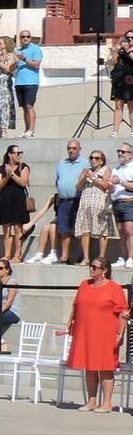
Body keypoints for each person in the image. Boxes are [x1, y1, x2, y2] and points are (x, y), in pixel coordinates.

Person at [67, 256, 128, 411]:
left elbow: (123, 312)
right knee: (89, 366)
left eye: (94, 267)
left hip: (105, 334)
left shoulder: (114, 288)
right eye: (90, 266)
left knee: (105, 367)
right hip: (85, 333)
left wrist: (119, 334)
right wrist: (70, 323)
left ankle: (107, 402)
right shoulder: (84, 285)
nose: (91, 269)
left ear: (104, 270)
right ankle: (91, 401)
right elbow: (76, 306)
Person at [0, 146, 33, 266]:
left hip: (19, 199)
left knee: (18, 228)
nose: (19, 155)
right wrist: (7, 175)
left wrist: (12, 174)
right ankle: (7, 254)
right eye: (17, 153)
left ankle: (17, 254)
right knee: (6, 228)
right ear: (10, 154)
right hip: (5, 199)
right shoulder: (1, 169)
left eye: (20, 152)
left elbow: (23, 182)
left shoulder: (24, 167)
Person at [74, 149, 117, 268]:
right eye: (91, 158)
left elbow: (107, 186)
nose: (93, 160)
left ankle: (102, 257)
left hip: (100, 203)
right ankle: (86, 258)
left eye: (96, 158)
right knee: (85, 230)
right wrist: (84, 177)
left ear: (101, 161)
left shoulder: (105, 170)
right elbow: (78, 187)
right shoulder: (85, 171)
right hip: (86, 202)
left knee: (102, 231)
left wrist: (94, 178)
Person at [13, 27, 44, 134]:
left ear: (31, 38)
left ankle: (31, 130)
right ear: (20, 39)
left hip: (31, 82)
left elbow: (36, 64)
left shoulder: (35, 49)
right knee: (24, 107)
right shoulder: (18, 51)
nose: (25, 38)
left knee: (29, 105)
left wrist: (24, 59)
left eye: (27, 36)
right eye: (23, 37)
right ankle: (26, 129)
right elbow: (14, 67)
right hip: (19, 82)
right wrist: (16, 62)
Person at [0, 36, 19, 134]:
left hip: (5, 83)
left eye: (0, 43)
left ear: (6, 44)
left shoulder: (10, 56)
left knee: (5, 105)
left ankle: (4, 129)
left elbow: (8, 69)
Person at [113, 141, 133, 274]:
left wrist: (120, 181)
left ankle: (131, 257)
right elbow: (113, 187)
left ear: (131, 155)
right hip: (117, 203)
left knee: (129, 230)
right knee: (120, 231)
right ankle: (122, 256)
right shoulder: (116, 169)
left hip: (129, 202)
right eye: (119, 151)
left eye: (123, 151)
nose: (120, 153)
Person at [113, 33, 133, 133]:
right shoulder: (121, 50)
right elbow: (113, 62)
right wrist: (116, 50)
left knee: (131, 105)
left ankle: (132, 131)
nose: (129, 39)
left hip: (131, 80)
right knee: (118, 105)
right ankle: (115, 132)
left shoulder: (129, 51)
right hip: (120, 80)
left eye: (132, 37)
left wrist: (127, 51)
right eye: (127, 37)